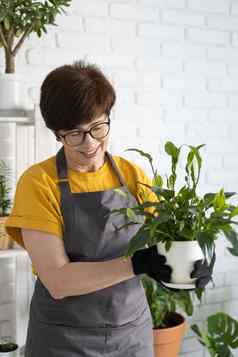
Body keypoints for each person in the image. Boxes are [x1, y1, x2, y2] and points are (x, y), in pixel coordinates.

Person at [4, 60, 214, 357]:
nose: (89, 143)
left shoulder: (134, 176)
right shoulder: (39, 183)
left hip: (131, 334)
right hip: (64, 340)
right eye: (74, 133)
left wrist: (193, 264)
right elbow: (57, 280)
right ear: (56, 134)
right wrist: (137, 264)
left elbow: (166, 244)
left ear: (108, 117)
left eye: (97, 127)